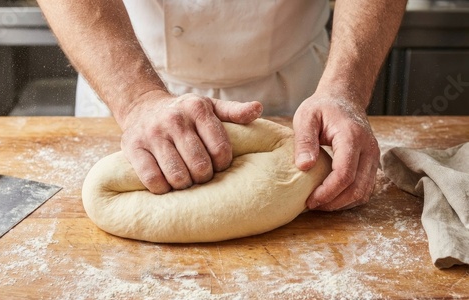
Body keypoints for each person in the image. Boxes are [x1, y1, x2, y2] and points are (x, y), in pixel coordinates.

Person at [37, 0, 407, 211]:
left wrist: (345, 89)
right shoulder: (131, 94)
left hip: (297, 87)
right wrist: (137, 99)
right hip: (124, 78)